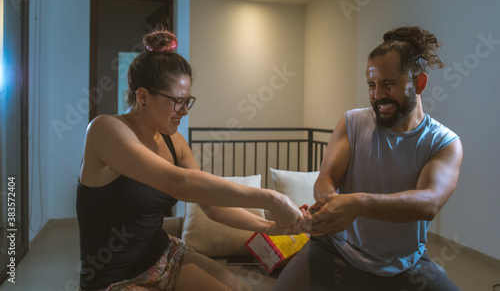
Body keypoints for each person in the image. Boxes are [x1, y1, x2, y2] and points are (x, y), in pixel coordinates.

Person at [77, 30, 307, 291]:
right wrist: (272, 198)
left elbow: (212, 206)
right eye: (177, 102)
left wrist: (270, 227)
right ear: (142, 97)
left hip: (162, 255)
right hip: (114, 278)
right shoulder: (104, 129)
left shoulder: (174, 142)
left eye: (188, 102)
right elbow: (180, 183)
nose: (185, 112)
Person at [274, 26, 463, 291]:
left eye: (388, 84)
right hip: (336, 252)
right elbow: (325, 179)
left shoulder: (444, 142)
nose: (377, 95)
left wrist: (357, 204)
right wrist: (331, 202)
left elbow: (429, 202)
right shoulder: (352, 122)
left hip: (406, 264)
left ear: (419, 83)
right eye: (372, 85)